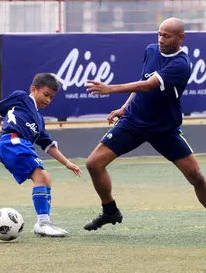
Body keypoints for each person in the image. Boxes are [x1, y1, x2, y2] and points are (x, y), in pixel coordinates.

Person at [83, 17, 206, 231]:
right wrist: (124, 108)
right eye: (159, 34)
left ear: (181, 37)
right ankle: (110, 211)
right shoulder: (151, 50)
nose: (161, 39)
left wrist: (110, 89)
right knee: (93, 163)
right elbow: (141, 81)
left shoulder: (181, 64)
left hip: (164, 129)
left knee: (196, 177)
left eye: (166, 36)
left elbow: (148, 85)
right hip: (133, 122)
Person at [0, 73, 82, 237]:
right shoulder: (22, 98)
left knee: (45, 178)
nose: (48, 100)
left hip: (21, 145)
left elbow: (48, 145)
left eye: (52, 97)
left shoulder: (39, 120)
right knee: (41, 177)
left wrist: (67, 163)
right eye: (46, 95)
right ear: (33, 89)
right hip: (12, 141)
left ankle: (44, 222)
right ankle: (42, 223)